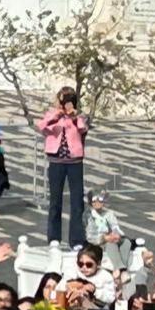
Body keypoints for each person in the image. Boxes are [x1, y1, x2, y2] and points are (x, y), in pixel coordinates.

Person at [38, 86, 89, 249]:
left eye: (69, 101)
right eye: (64, 101)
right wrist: (56, 115)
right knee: (55, 201)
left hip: (75, 162)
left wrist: (74, 116)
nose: (66, 104)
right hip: (56, 162)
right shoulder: (52, 114)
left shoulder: (79, 117)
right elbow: (42, 127)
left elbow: (83, 129)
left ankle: (77, 240)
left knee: (77, 202)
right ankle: (54, 238)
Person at [84, 189, 129, 271]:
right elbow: (89, 236)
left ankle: (124, 267)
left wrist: (116, 234)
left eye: (100, 200)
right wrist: (104, 238)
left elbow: (115, 226)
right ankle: (120, 269)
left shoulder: (109, 213)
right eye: (94, 200)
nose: (97, 203)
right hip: (97, 242)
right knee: (110, 244)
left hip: (110, 237)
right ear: (91, 202)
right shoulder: (89, 215)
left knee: (126, 242)